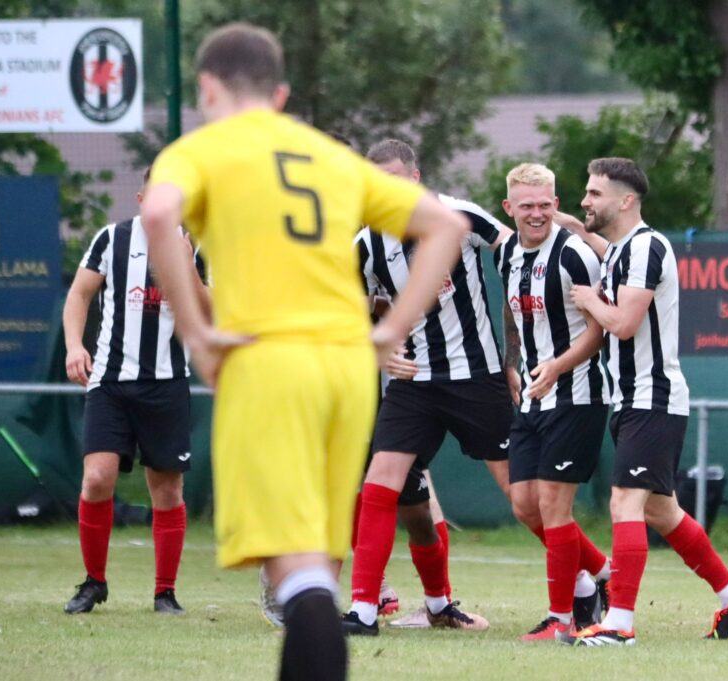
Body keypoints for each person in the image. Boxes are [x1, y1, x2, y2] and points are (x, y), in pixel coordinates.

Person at [140, 23, 470, 681]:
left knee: (298, 574)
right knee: (313, 559)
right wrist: (387, 330)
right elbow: (447, 226)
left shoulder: (202, 149)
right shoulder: (327, 155)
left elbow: (156, 216)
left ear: (207, 87)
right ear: (281, 92)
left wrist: (197, 332)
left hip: (270, 361)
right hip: (347, 368)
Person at [563, 157, 728, 646]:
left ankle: (620, 625)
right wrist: (572, 227)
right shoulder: (623, 249)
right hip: (634, 401)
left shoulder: (648, 246)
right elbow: (607, 250)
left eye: (594, 193)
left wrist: (586, 301)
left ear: (626, 200)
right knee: (662, 513)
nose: (585, 200)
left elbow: (625, 323)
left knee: (625, 503)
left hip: (652, 399)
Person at [341, 139, 515, 636]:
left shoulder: (456, 214)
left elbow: (519, 256)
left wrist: (516, 356)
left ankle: (591, 583)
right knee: (379, 486)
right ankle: (364, 612)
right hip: (413, 383)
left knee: (523, 496)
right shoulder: (366, 244)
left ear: (415, 179)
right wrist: (375, 347)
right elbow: (349, 313)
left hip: (475, 378)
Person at [61, 168, 208, 616]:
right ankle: (94, 582)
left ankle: (165, 592)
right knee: (97, 478)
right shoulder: (112, 239)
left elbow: (211, 309)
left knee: (166, 490)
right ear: (142, 198)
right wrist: (73, 346)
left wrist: (187, 269)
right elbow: (79, 294)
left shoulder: (194, 245)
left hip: (167, 384)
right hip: (111, 382)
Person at [495, 163, 612, 640]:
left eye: (545, 204)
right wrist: (511, 363)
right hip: (533, 396)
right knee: (524, 505)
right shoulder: (507, 257)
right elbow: (511, 311)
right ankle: (601, 573)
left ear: (557, 204)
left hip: (577, 393)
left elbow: (599, 330)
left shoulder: (574, 255)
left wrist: (557, 367)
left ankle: (563, 618)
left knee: (553, 505)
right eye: (527, 206)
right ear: (510, 209)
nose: (537, 213)